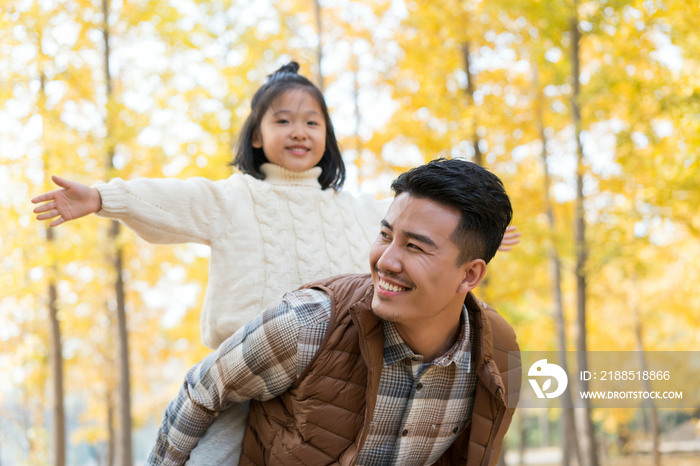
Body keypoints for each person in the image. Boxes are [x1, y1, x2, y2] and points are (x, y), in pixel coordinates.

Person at [31, 63, 520, 465]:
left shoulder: (353, 207)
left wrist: (491, 233)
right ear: (257, 136)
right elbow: (172, 200)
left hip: (335, 370)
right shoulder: (234, 199)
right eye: (282, 120)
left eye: (312, 122)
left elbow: (437, 235)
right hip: (243, 381)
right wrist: (103, 197)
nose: (299, 131)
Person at [148, 158, 521, 466]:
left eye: (416, 248)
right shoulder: (308, 324)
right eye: (386, 235)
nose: (386, 261)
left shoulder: (498, 354)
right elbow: (202, 391)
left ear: (470, 274)